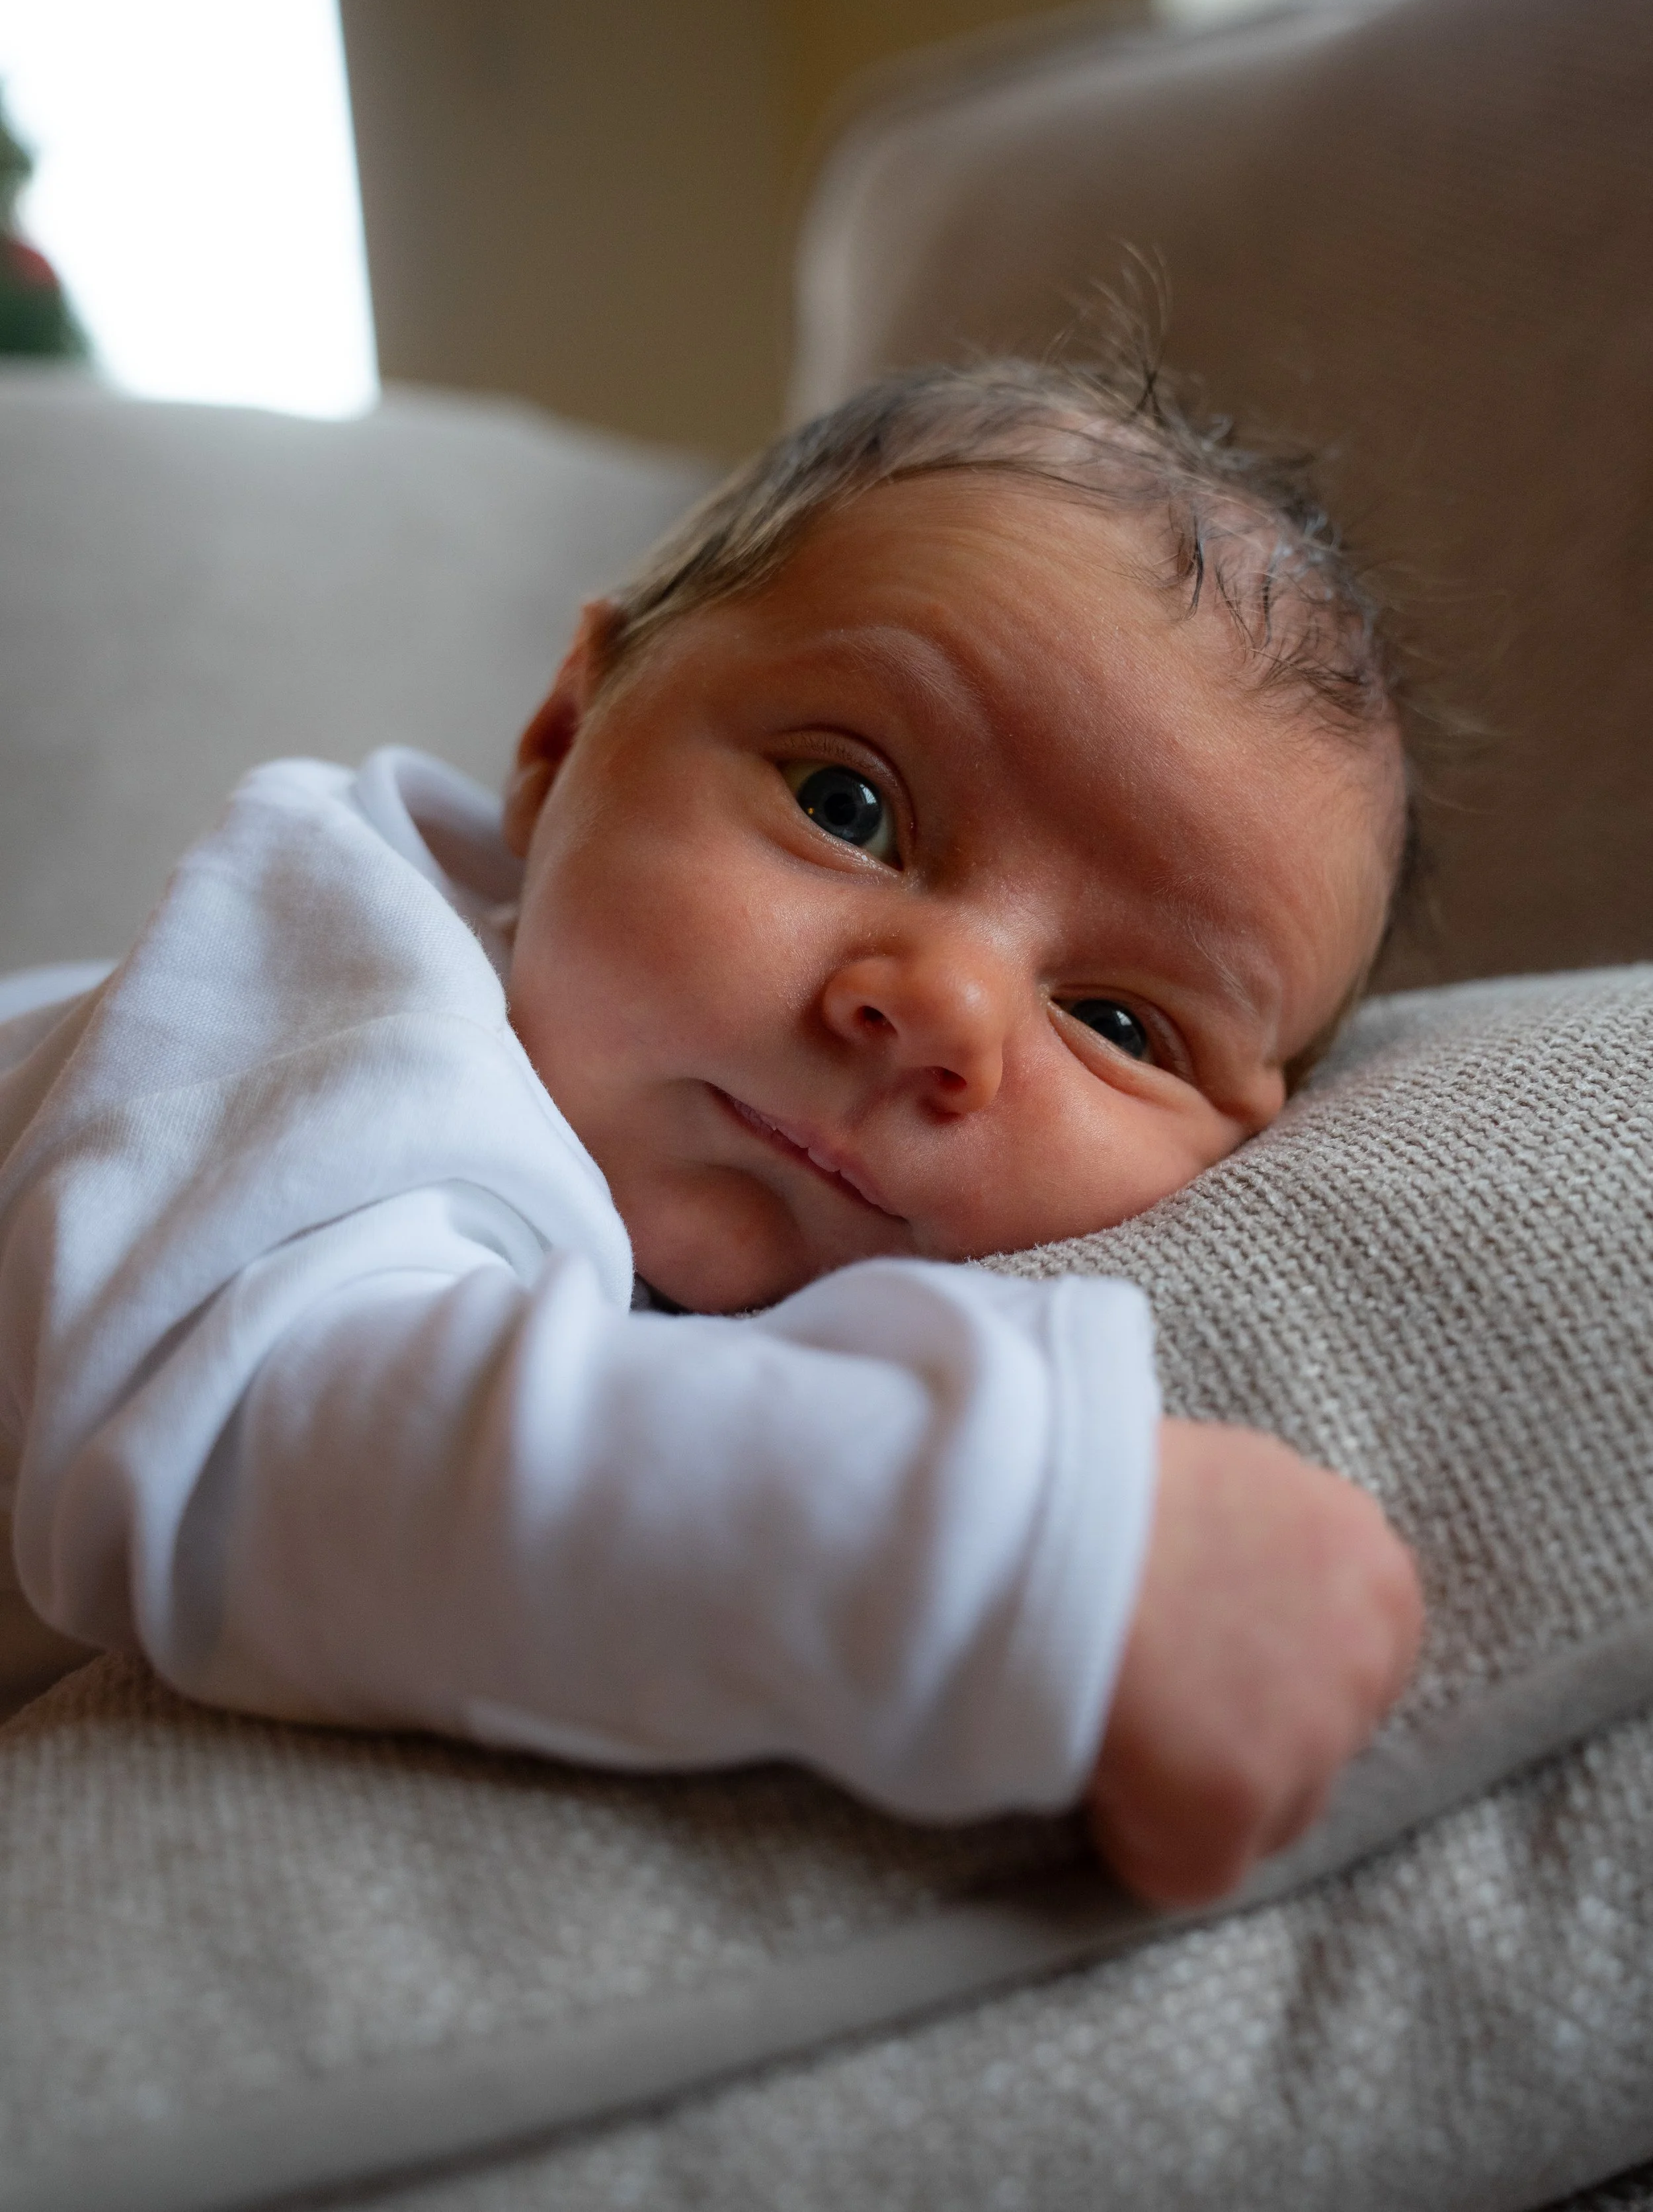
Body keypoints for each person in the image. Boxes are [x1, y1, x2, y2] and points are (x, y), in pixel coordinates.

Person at [0, 358, 1422, 1909]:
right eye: (848, 805)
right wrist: (1014, 1546)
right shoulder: (334, 973)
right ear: (560, 741)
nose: (945, 1006)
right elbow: (256, 1441)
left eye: (1121, 1025)